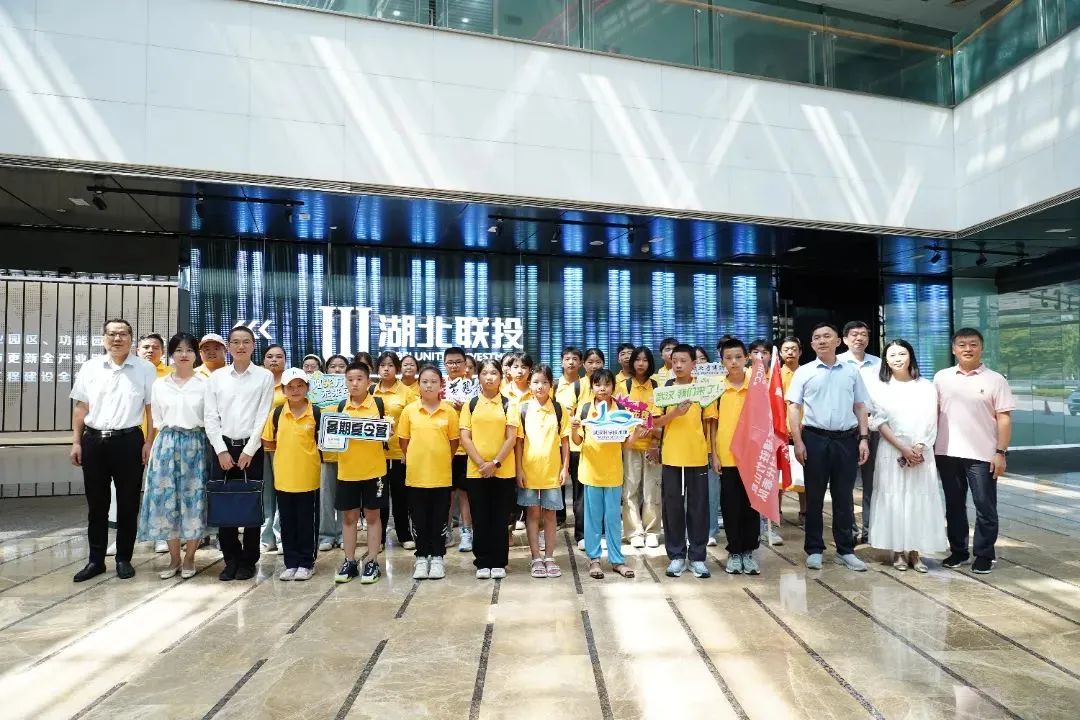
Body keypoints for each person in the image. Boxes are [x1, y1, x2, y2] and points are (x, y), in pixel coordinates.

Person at [70, 319, 156, 582]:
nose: (117, 339)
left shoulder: (145, 369)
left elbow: (151, 409)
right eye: (112, 334)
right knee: (97, 505)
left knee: (129, 504)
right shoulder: (90, 367)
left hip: (129, 441)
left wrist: (149, 442)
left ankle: (123, 559)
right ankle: (95, 561)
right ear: (103, 338)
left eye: (123, 334)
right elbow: (81, 407)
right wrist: (76, 442)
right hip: (94, 441)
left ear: (131, 338)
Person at [786, 322, 871, 572]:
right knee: (814, 497)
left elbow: (860, 406)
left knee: (843, 497)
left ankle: (845, 550)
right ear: (812, 344)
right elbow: (793, 407)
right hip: (814, 439)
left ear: (838, 341)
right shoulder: (804, 372)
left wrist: (863, 438)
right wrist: (798, 441)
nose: (822, 340)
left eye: (827, 336)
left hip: (846, 439)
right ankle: (814, 549)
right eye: (817, 337)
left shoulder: (851, 372)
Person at [934, 328, 1014, 574]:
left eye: (973, 344)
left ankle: (984, 554)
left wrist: (1000, 452)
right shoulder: (941, 378)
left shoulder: (996, 380)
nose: (967, 348)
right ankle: (958, 551)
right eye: (962, 344)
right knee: (954, 505)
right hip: (947, 452)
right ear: (953, 349)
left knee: (984, 506)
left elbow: (1004, 418)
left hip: (983, 454)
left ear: (981, 348)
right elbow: (932, 414)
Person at [867, 340, 946, 573]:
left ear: (910, 356)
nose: (897, 359)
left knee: (917, 499)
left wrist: (918, 447)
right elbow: (878, 421)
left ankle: (915, 551)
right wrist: (902, 448)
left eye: (902, 354)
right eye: (892, 355)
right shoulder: (880, 387)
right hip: (891, 449)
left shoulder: (926, 387)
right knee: (894, 499)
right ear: (885, 359)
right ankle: (898, 551)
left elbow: (932, 419)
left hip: (921, 451)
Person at [204, 326, 275, 581]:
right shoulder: (217, 377)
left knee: (251, 504)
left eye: (246, 341)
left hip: (251, 449)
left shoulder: (264, 376)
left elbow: (263, 415)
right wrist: (221, 450)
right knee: (224, 504)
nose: (241, 346)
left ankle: (248, 560)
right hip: (222, 447)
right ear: (229, 347)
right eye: (235, 342)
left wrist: (249, 449)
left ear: (253, 345)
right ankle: (230, 559)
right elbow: (210, 417)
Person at [137, 332, 208, 580]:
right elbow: (156, 419)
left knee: (194, 501)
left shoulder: (205, 384)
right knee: (166, 501)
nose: (184, 354)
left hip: (195, 444)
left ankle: (190, 558)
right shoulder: (160, 384)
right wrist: (150, 443)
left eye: (189, 350)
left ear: (196, 354)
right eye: (179, 350)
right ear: (172, 354)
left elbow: (210, 418)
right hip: (166, 444)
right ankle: (174, 558)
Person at [654, 343, 717, 579]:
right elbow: (654, 422)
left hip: (697, 456)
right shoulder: (665, 390)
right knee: (673, 508)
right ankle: (676, 556)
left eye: (683, 361)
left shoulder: (703, 389)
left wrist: (713, 454)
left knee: (699, 508)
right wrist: (675, 413)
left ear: (693, 363)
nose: (678, 365)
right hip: (672, 456)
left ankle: (698, 557)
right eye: (675, 361)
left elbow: (710, 424)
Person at [572, 369, 636, 580]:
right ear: (592, 387)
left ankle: (617, 561)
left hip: (613, 472)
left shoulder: (621, 410)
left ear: (613, 387)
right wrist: (573, 428)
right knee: (592, 519)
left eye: (607, 384)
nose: (602, 388)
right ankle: (594, 560)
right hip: (591, 472)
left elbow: (626, 444)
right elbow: (577, 440)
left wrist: (636, 432)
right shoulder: (584, 409)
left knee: (613, 518)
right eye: (598, 384)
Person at [398, 364, 460, 581]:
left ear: (441, 385)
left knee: (439, 519)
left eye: (434, 381)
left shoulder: (449, 411)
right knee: (419, 520)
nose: (429, 385)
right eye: (424, 381)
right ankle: (422, 557)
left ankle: (438, 557)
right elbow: (404, 442)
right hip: (416, 476)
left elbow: (453, 443)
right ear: (418, 384)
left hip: (441, 476)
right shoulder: (409, 411)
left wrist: (440, 458)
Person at [459, 359, 519, 579]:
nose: (489, 377)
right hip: (476, 472)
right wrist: (481, 464)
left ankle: (499, 561)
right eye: (485, 373)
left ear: (501, 377)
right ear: (479, 377)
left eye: (494, 373)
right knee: (480, 517)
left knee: (500, 517)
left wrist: (495, 463)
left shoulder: (510, 404)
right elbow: (465, 437)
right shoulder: (471, 404)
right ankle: (483, 561)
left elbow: (511, 437)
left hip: (503, 470)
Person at [262, 368, 321, 581]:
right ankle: (291, 563)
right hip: (284, 477)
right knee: (287, 523)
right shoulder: (277, 413)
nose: (295, 390)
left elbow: (323, 442)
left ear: (307, 388)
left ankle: (306, 563)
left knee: (307, 522)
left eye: (300, 385)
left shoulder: (316, 413)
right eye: (290, 387)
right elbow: (268, 441)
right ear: (284, 390)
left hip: (308, 477)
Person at [332, 361, 388, 584]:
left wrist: (388, 430)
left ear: (368, 381)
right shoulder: (340, 407)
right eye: (350, 380)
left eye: (359, 379)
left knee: (373, 516)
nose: (354, 383)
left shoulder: (379, 404)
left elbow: (387, 433)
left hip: (374, 471)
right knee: (349, 518)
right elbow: (330, 438)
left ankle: (372, 561)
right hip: (347, 471)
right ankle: (349, 561)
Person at [710, 337, 761, 575]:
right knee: (730, 506)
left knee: (752, 505)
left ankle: (749, 551)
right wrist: (714, 455)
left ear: (747, 358)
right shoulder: (717, 388)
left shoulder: (757, 386)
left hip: (753, 457)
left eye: (738, 357)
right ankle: (734, 551)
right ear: (721, 361)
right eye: (728, 358)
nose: (734, 362)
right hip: (727, 456)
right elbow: (712, 424)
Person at [516, 364, 570, 579]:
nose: (540, 386)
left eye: (545, 382)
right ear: (530, 384)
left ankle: (549, 557)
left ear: (551, 385)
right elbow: (519, 443)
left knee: (550, 514)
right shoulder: (523, 409)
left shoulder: (558, 409)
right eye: (536, 382)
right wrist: (519, 470)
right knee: (532, 514)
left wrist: (565, 468)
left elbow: (565, 441)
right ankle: (536, 557)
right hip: (529, 471)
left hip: (552, 472)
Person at [838, 320, 881, 545]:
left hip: (874, 427)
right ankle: (850, 530)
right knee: (844, 482)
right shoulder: (837, 363)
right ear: (844, 339)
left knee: (872, 481)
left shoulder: (879, 364)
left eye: (863, 334)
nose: (859, 338)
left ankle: (870, 529)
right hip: (846, 428)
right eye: (854, 334)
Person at [615, 346, 662, 549]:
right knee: (630, 489)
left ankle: (652, 531)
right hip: (630, 445)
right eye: (637, 359)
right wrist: (632, 433)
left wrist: (654, 441)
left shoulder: (657, 386)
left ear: (650, 363)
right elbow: (618, 416)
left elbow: (660, 418)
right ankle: (634, 532)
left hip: (652, 445)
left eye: (645, 360)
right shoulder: (623, 386)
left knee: (652, 489)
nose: (641, 363)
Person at [372, 351, 415, 550]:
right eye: (383, 365)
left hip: (399, 453)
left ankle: (404, 534)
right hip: (376, 454)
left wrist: (408, 451)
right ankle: (379, 538)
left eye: (390, 365)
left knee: (401, 496)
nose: (386, 369)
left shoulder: (406, 392)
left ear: (397, 369)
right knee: (379, 496)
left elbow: (414, 421)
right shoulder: (371, 391)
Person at [137, 332, 174, 553]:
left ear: (163, 351)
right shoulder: (130, 373)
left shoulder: (170, 375)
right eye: (146, 347)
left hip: (162, 441)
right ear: (137, 350)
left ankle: (162, 534)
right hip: (131, 439)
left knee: (161, 489)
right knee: (126, 492)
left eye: (155, 347)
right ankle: (124, 535)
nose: (150, 351)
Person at [748, 339, 782, 547]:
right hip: (749, 440)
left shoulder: (776, 377)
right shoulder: (745, 377)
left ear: (770, 355)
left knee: (768, 485)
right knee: (751, 487)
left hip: (771, 439)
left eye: (764, 352)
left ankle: (767, 526)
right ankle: (753, 529)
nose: (760, 356)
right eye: (755, 352)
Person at [556, 346, 589, 542]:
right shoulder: (554, 385)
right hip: (558, 440)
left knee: (578, 485)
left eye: (575, 358)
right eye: (567, 358)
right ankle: (559, 517)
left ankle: (581, 527)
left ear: (581, 363)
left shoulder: (585, 385)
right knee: (558, 481)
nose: (571, 362)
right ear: (562, 361)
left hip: (578, 441)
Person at [317, 354, 349, 552]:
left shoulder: (355, 391)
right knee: (326, 497)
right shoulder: (316, 393)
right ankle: (327, 535)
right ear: (326, 370)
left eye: (341, 366)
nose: (337, 370)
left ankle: (345, 533)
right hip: (326, 453)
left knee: (346, 497)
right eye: (333, 366)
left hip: (349, 454)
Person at [443, 346, 473, 552]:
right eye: (450, 362)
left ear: (465, 365)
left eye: (458, 362)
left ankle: (466, 532)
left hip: (466, 449)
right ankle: (445, 531)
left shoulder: (474, 387)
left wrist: (465, 408)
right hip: (443, 449)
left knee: (464, 494)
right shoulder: (438, 385)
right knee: (446, 493)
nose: (454, 366)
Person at [260, 344, 287, 554]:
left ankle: (281, 536)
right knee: (265, 494)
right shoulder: (258, 382)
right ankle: (266, 537)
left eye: (279, 356)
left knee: (283, 492)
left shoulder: (290, 384)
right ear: (263, 360)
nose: (274, 360)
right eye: (270, 356)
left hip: (284, 446)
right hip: (260, 445)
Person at [695, 345, 722, 546]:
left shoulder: (715, 387)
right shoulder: (680, 387)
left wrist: (714, 452)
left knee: (712, 493)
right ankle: (693, 531)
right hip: (688, 451)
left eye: (702, 359)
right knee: (692, 495)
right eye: (694, 360)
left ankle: (711, 530)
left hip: (710, 449)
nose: (699, 363)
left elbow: (712, 424)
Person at [779, 335, 807, 525]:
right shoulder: (774, 376)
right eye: (786, 349)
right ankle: (776, 512)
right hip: (780, 432)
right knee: (779, 473)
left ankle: (804, 511)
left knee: (804, 473)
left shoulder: (807, 373)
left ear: (800, 352)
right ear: (780, 353)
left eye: (794, 349)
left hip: (805, 429)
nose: (790, 352)